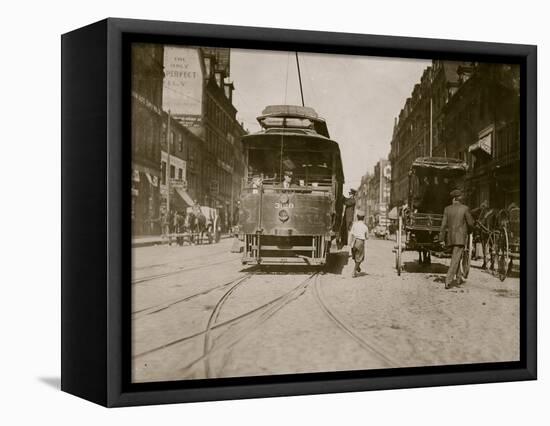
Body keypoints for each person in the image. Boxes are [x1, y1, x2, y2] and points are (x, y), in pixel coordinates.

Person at [439, 189, 474, 289]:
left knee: (456, 257)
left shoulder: (447, 209)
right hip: (460, 238)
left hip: (450, 238)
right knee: (455, 258)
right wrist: (470, 232)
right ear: (459, 198)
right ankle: (448, 280)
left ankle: (458, 278)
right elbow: (471, 223)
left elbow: (443, 225)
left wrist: (441, 238)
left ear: (453, 199)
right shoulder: (465, 208)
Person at [349, 210, 369, 278]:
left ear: (357, 217)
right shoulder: (365, 227)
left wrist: (350, 243)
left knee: (355, 256)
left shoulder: (354, 225)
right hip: (360, 242)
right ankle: (354, 272)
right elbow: (367, 237)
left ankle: (358, 267)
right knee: (360, 257)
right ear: (363, 218)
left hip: (354, 241)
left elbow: (351, 234)